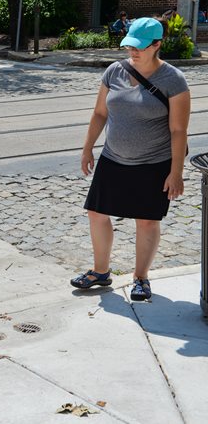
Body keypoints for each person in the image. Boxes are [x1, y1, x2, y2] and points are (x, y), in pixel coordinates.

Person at [71, 17, 190, 301]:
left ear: (157, 45)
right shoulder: (115, 71)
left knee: (146, 221)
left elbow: (178, 129)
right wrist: (88, 147)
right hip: (113, 158)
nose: (132, 52)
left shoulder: (174, 80)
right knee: (97, 213)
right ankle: (100, 271)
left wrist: (176, 172)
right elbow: (100, 113)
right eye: (129, 47)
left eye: (139, 47)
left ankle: (141, 278)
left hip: (153, 162)